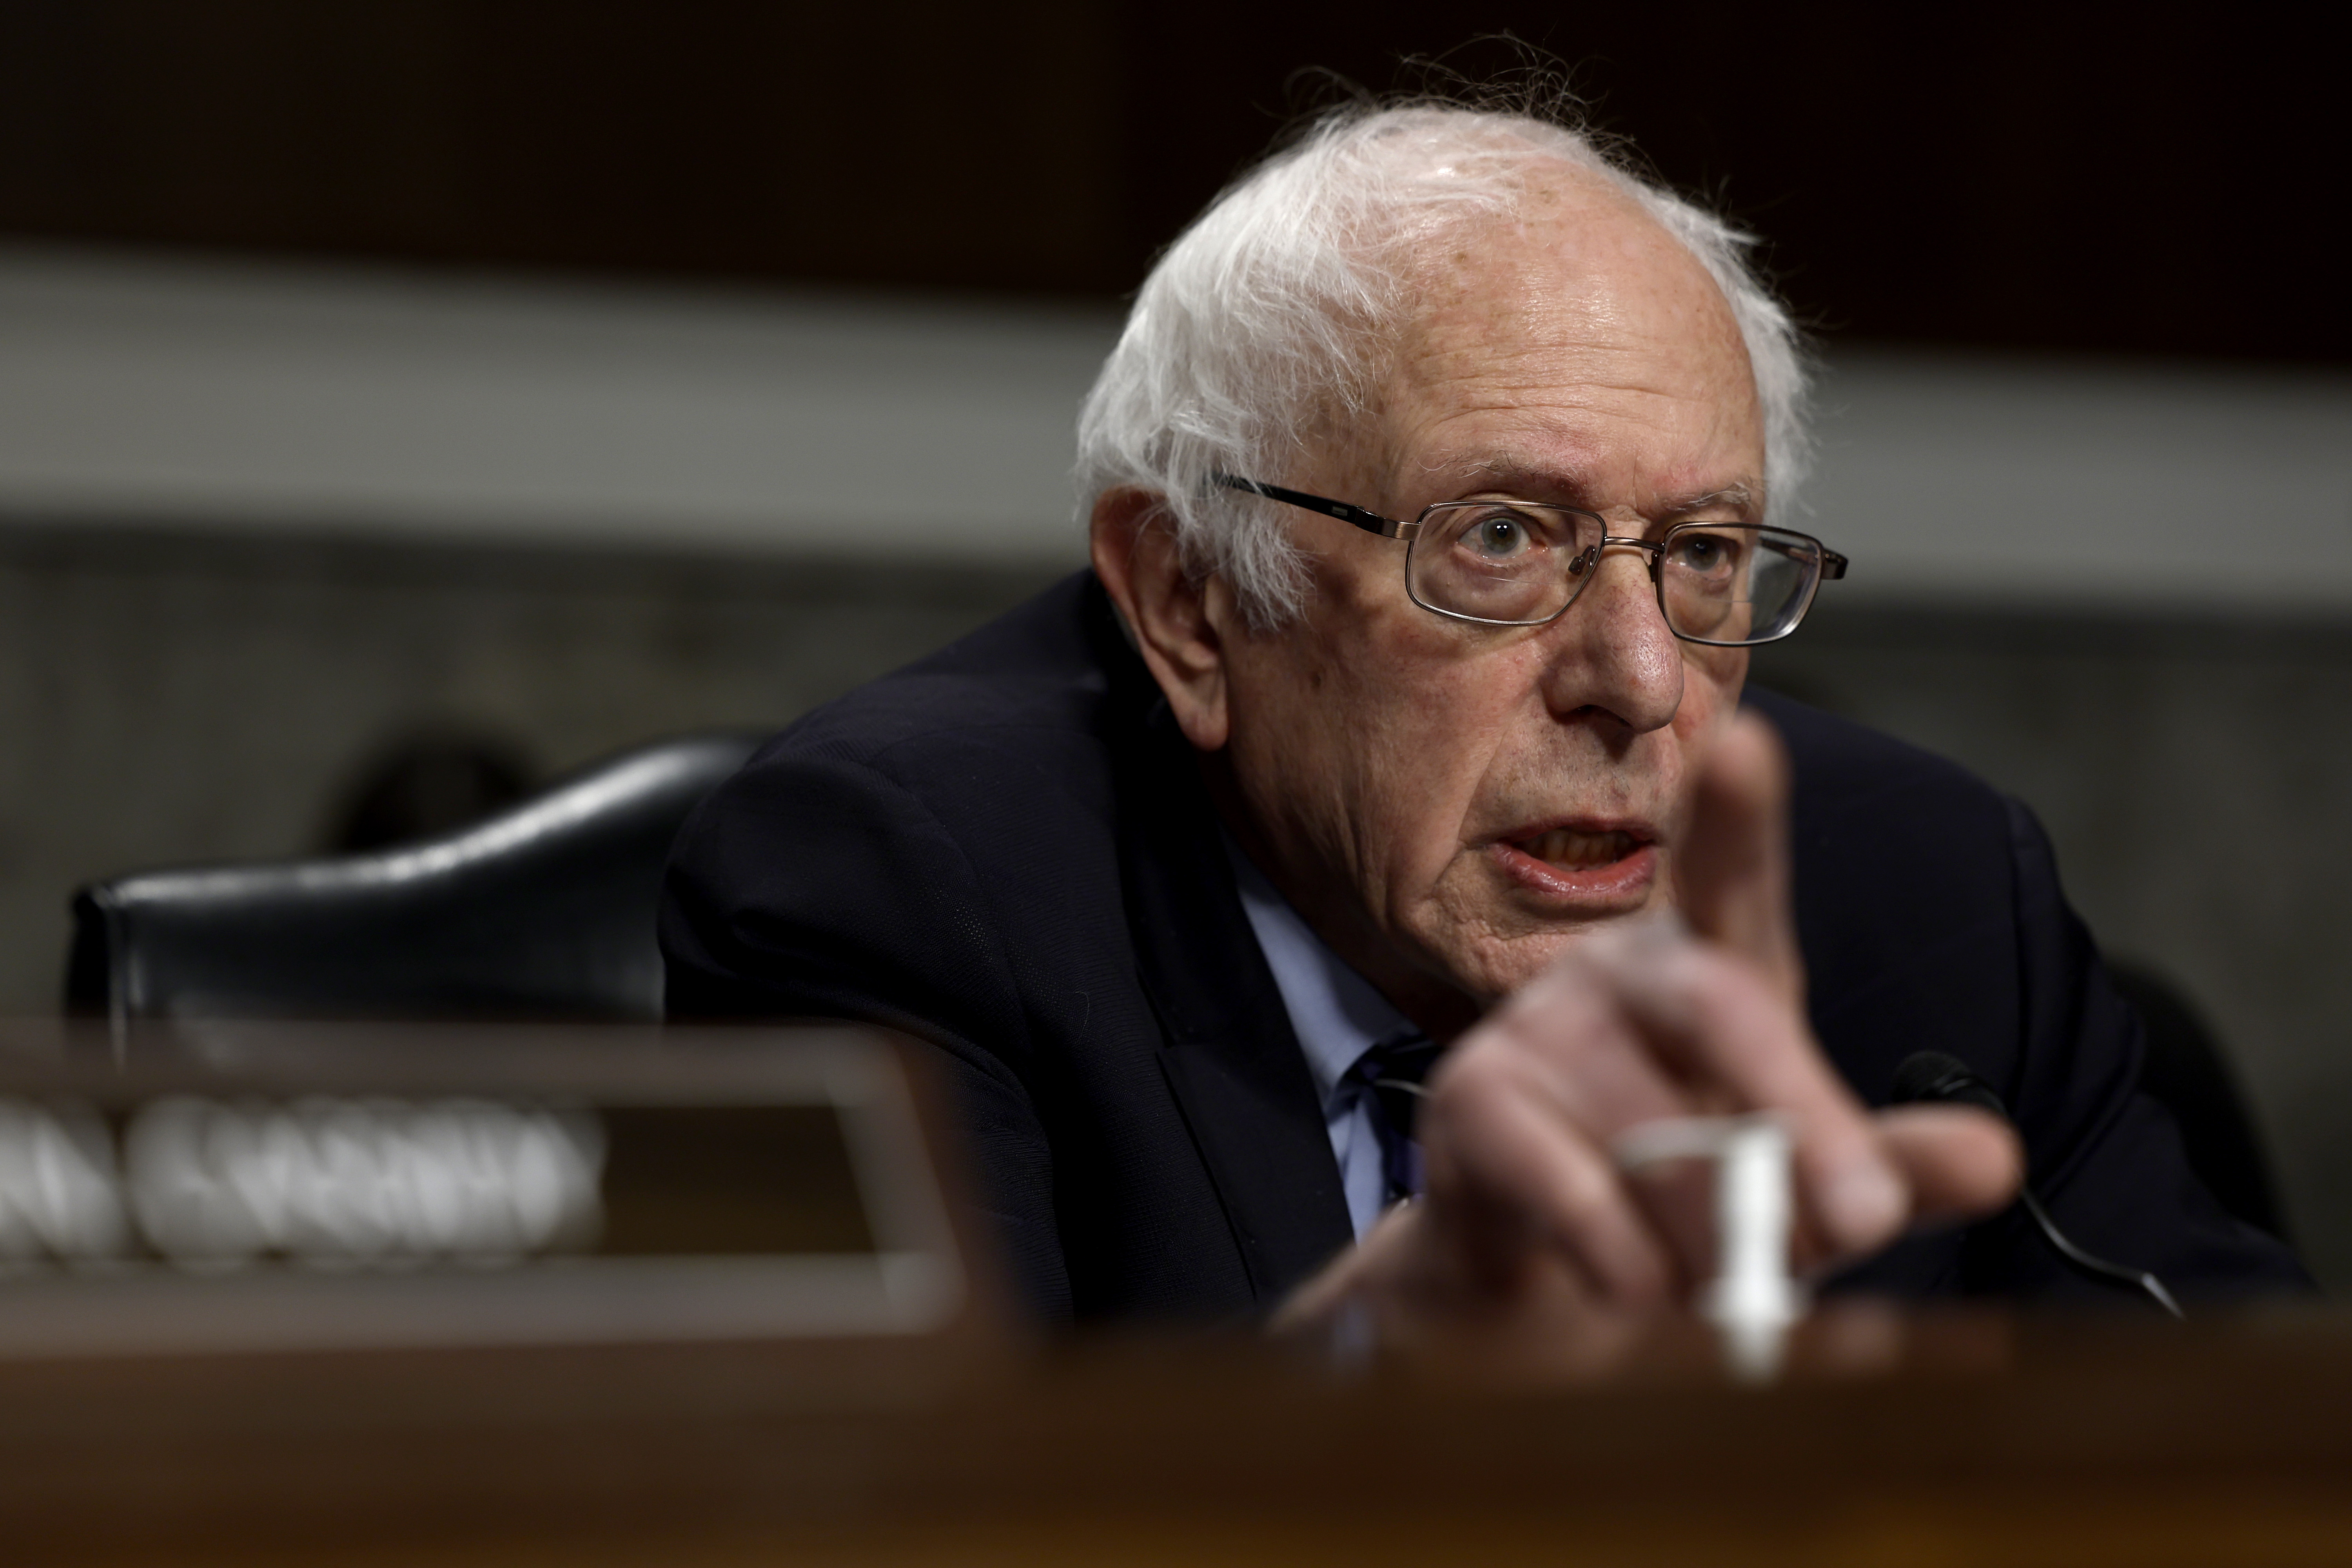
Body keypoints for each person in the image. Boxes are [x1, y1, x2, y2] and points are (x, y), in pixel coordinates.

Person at [661, 98, 2305, 1327]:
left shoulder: (1926, 892)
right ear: (1188, 602)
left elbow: (2257, 1466)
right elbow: (885, 1514)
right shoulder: (904, 882)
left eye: (1707, 555)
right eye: (1502, 538)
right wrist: (1382, 1397)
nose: (1643, 683)